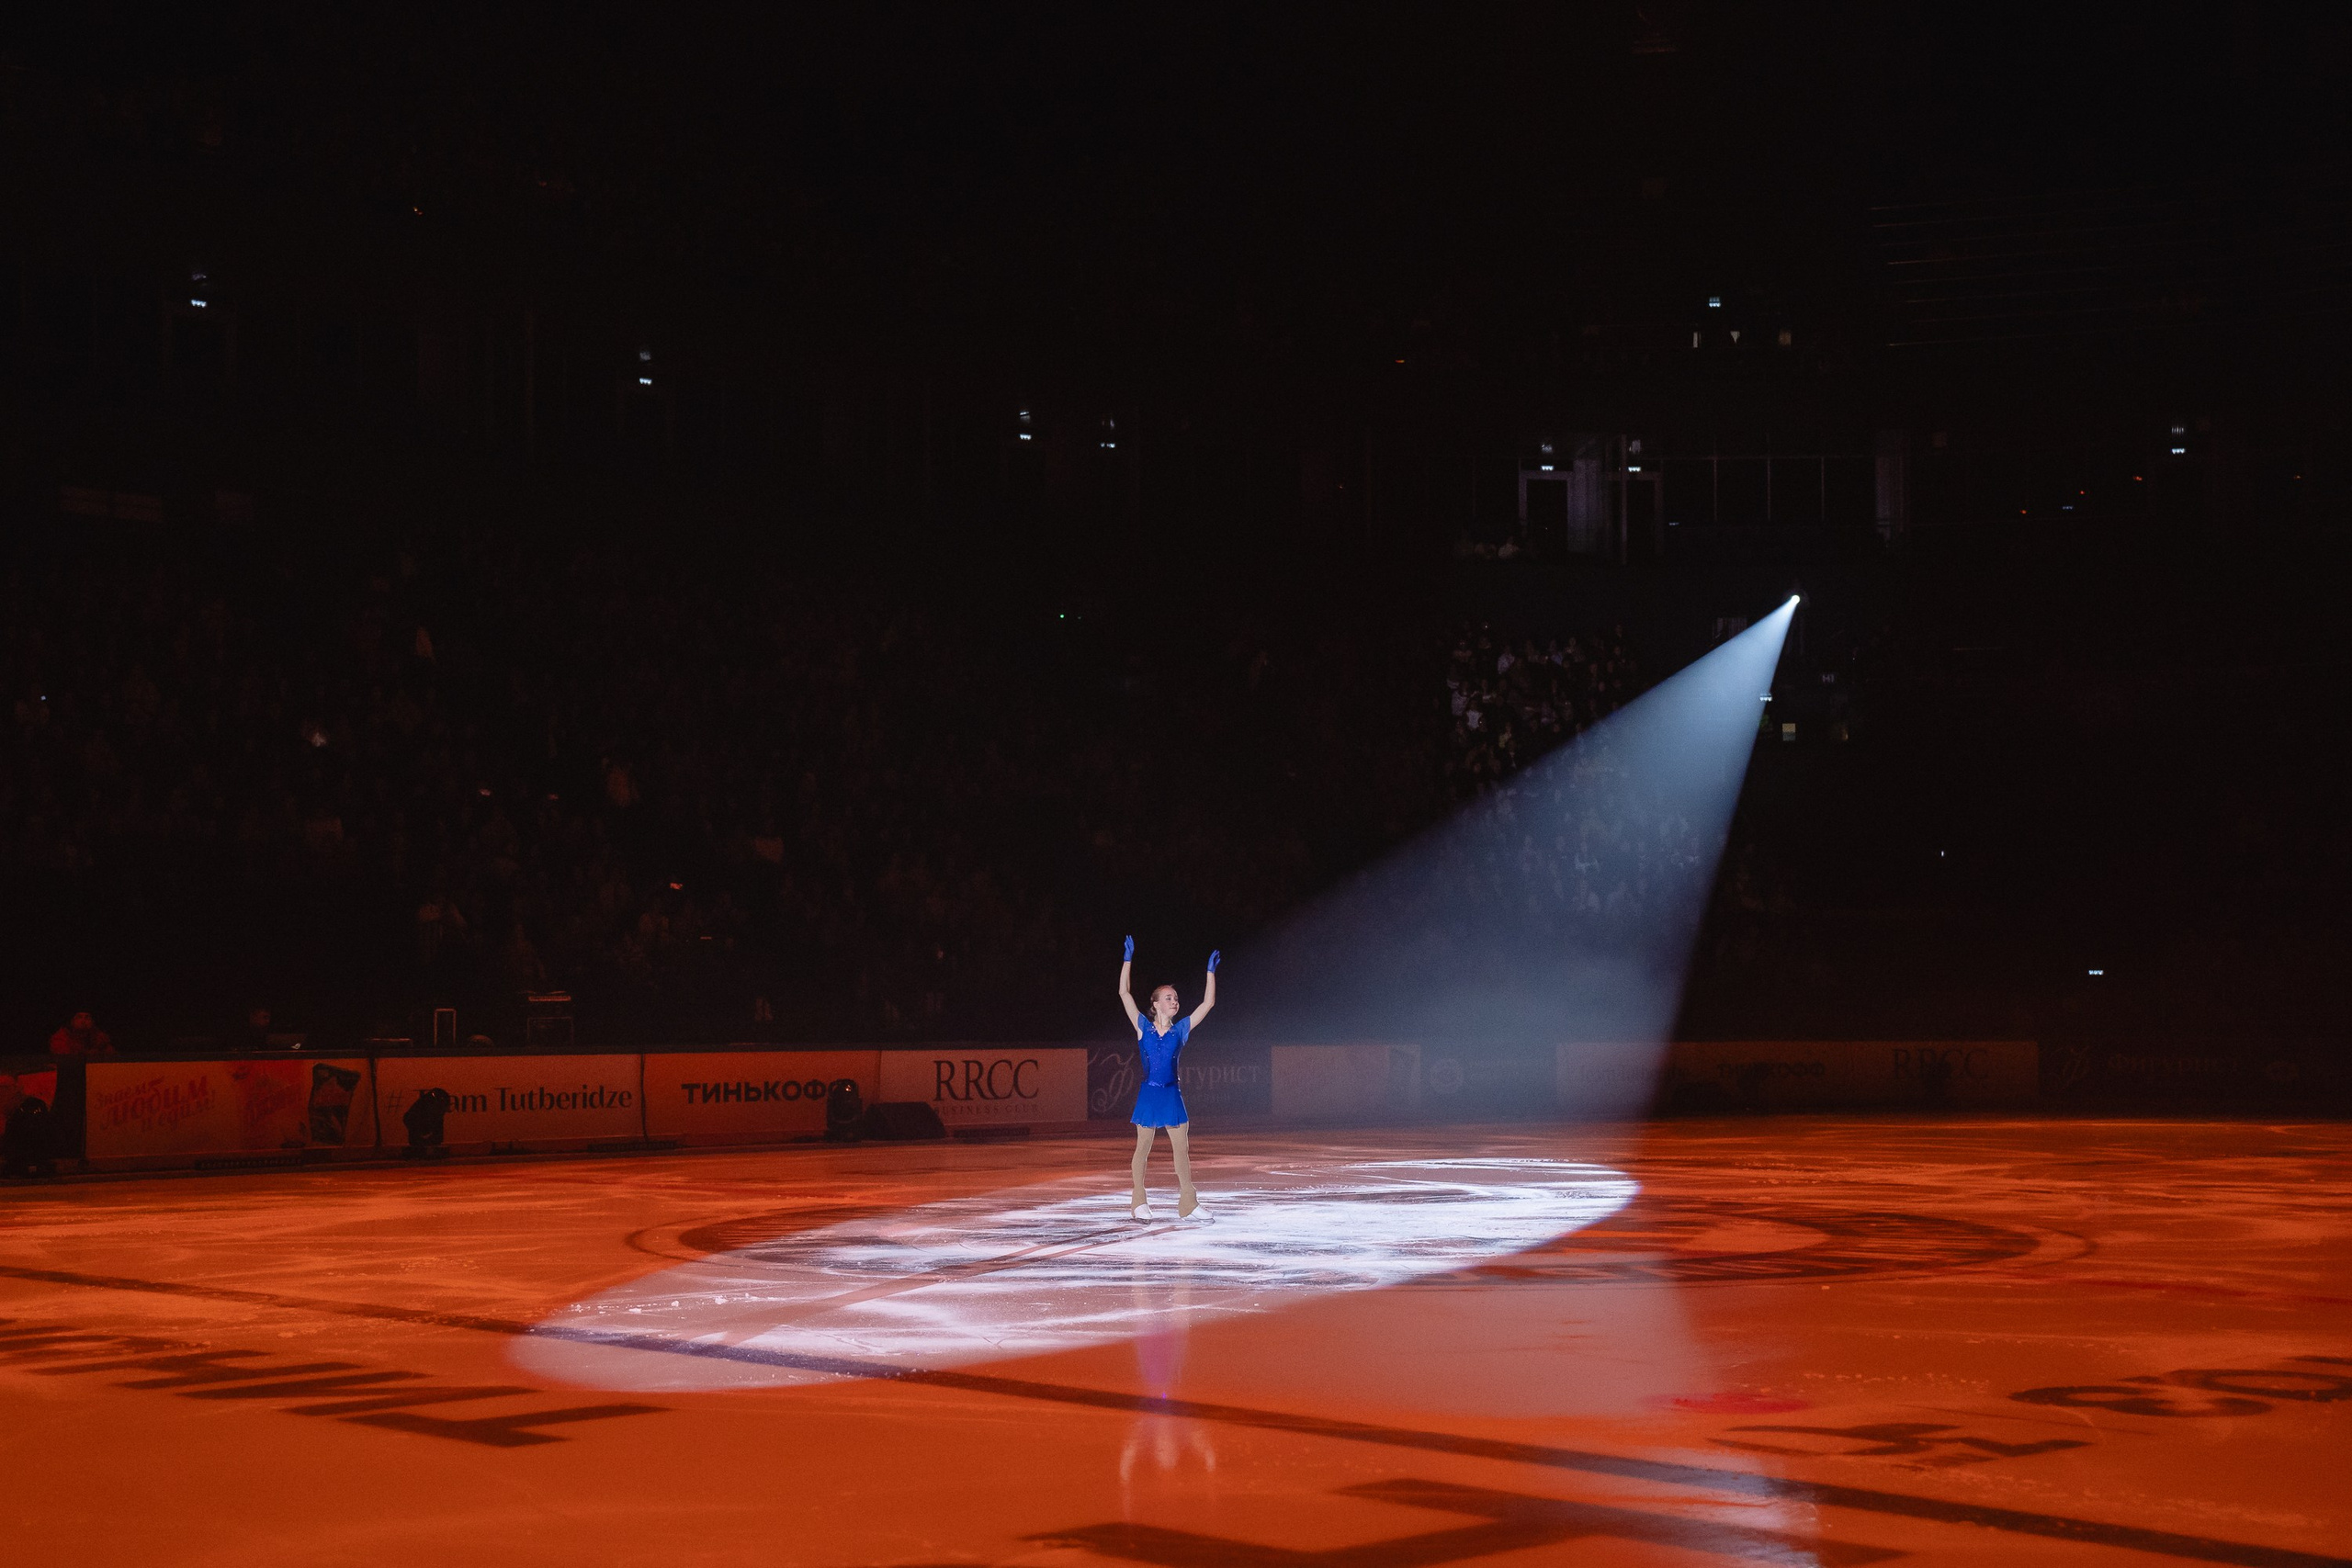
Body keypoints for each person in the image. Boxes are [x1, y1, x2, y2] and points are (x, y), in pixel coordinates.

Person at [1116, 935, 1217, 1222]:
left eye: (1176, 998)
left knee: (1181, 1149)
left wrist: (1210, 972)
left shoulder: (1180, 1030)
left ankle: (1188, 1203)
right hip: (1149, 1093)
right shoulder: (1142, 1027)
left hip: (1172, 1094)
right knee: (1143, 1148)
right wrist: (1127, 960)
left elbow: (1208, 1003)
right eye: (1169, 998)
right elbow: (1124, 993)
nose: (1175, 1001)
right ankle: (1138, 1201)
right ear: (1156, 1004)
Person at [47, 1011, 114, 1059]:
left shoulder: (100, 1037)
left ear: (92, 1022)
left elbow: (111, 1056)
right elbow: (65, 1057)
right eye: (79, 1017)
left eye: (87, 1018)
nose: (83, 1021)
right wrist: (88, 1054)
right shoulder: (61, 1037)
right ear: (72, 1021)